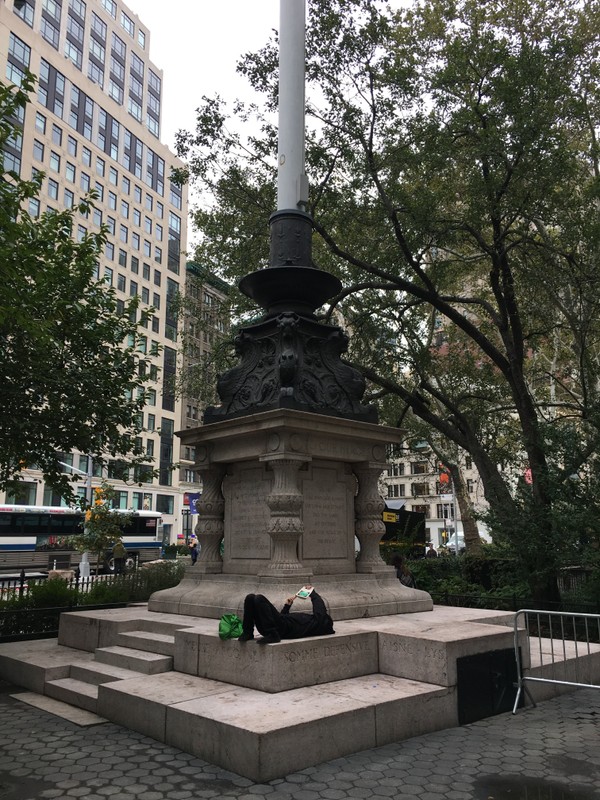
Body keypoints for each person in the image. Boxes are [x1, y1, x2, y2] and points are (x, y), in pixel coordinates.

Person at [238, 586, 335, 644]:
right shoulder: (312, 622)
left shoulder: (318, 623)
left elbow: (320, 608)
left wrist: (313, 593)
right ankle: (248, 632)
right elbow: (283, 618)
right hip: (276, 625)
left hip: (277, 629)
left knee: (259, 599)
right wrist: (287, 607)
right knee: (250, 598)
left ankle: (272, 635)